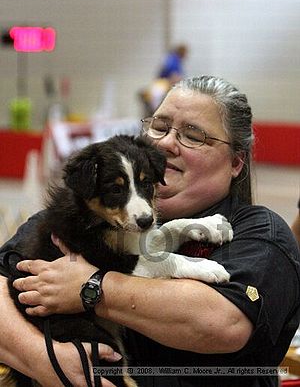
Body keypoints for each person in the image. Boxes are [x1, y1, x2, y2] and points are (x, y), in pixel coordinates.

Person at [0, 75, 299, 387]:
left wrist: (92, 287)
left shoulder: (260, 234)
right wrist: (43, 358)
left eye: (193, 136)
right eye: (160, 127)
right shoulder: (77, 216)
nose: (167, 143)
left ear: (236, 162)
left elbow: (224, 324)